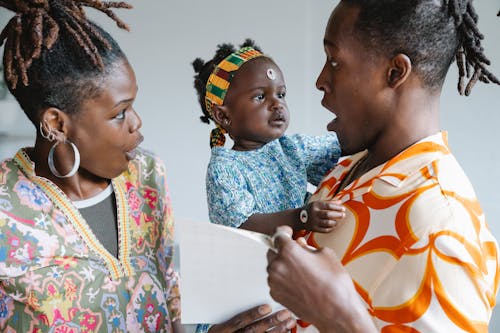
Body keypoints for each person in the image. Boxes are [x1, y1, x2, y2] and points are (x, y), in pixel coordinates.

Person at [0, 1, 294, 332]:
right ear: (56, 123)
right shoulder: (5, 211)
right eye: (119, 113)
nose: (137, 123)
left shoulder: (146, 175)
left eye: (133, 104)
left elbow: (170, 301)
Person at [267, 0, 500, 332]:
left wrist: (339, 316)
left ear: (395, 72)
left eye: (335, 61)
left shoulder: (443, 228)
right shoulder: (355, 166)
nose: (321, 80)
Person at [192, 39, 345, 237]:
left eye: (281, 94)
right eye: (260, 97)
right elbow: (242, 225)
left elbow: (344, 145)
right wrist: (302, 218)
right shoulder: (224, 168)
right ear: (224, 116)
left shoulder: (290, 148)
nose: (277, 104)